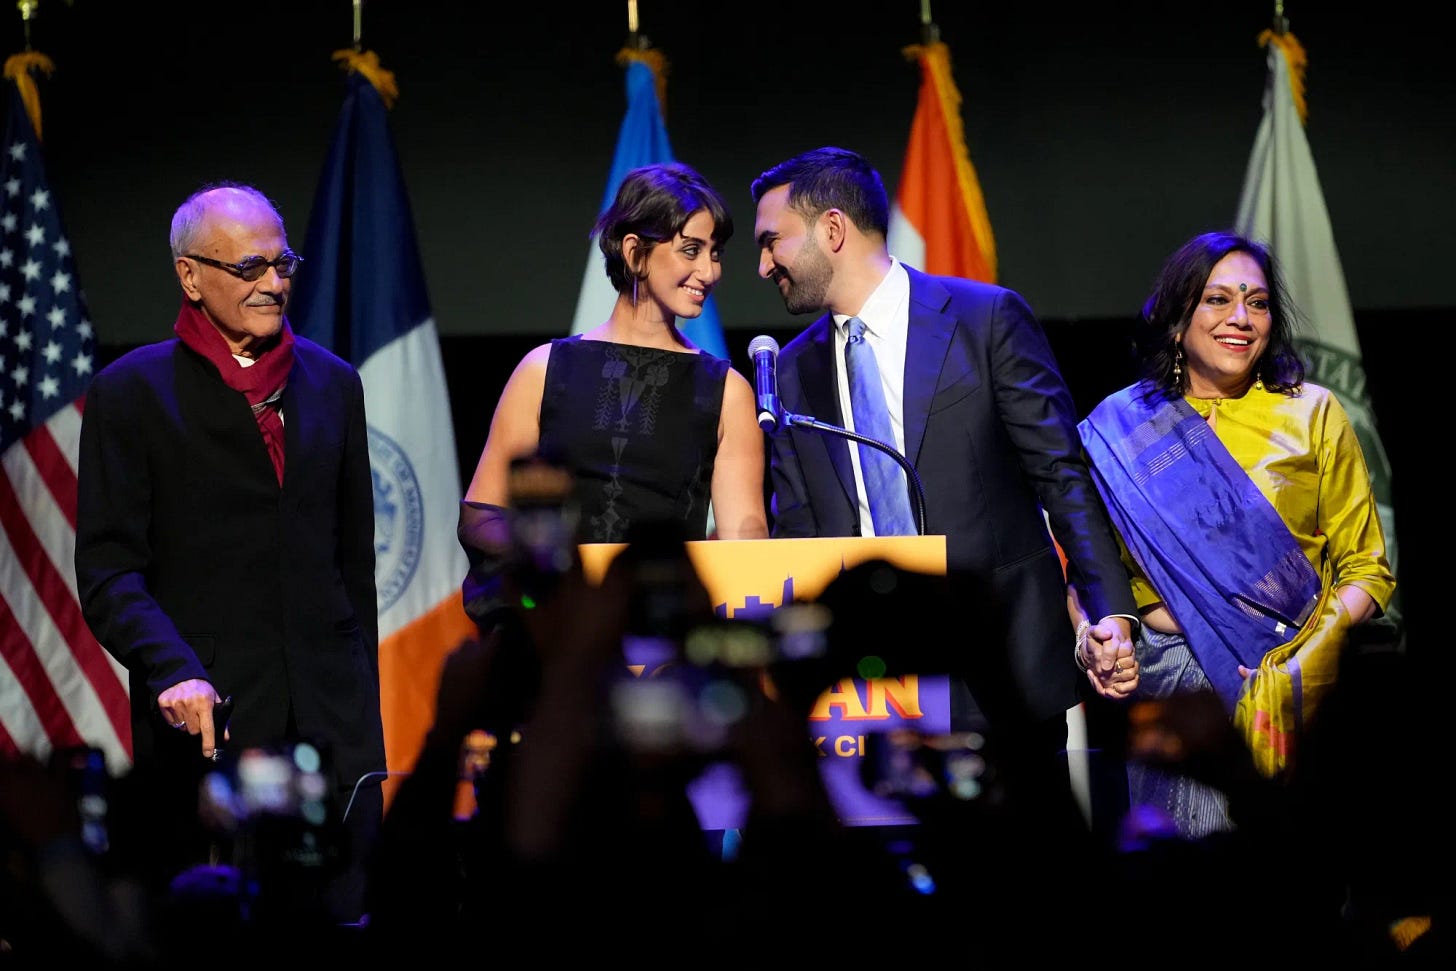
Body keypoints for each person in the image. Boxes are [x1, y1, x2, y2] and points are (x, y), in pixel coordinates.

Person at [748, 146, 1139, 767]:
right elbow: (799, 534)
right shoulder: (792, 372)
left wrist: (1109, 608)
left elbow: (1060, 475)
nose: (764, 264)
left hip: (1002, 663)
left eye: (773, 241)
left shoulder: (986, 320)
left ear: (832, 229)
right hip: (867, 690)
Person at [73, 182, 386, 925]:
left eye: (282, 264)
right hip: (212, 728)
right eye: (249, 268)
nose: (273, 283)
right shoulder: (133, 393)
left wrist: (361, 701)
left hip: (332, 730)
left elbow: (353, 569)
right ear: (190, 275)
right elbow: (110, 571)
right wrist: (173, 667)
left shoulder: (333, 384)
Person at [1076, 230, 1396, 838]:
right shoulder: (1121, 429)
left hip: (1295, 675)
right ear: (1177, 321)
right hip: (1171, 685)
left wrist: (1305, 657)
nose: (1241, 319)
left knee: (1290, 868)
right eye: (1217, 300)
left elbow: (1366, 569)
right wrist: (1092, 637)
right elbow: (1085, 569)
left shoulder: (1312, 413)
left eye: (1257, 302)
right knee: (1188, 875)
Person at [459, 161, 767, 602]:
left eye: (715, 252)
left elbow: (744, 548)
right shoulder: (543, 370)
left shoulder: (727, 391)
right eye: (691, 250)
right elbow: (482, 515)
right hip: (554, 619)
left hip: (661, 622)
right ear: (634, 251)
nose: (710, 271)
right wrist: (560, 565)